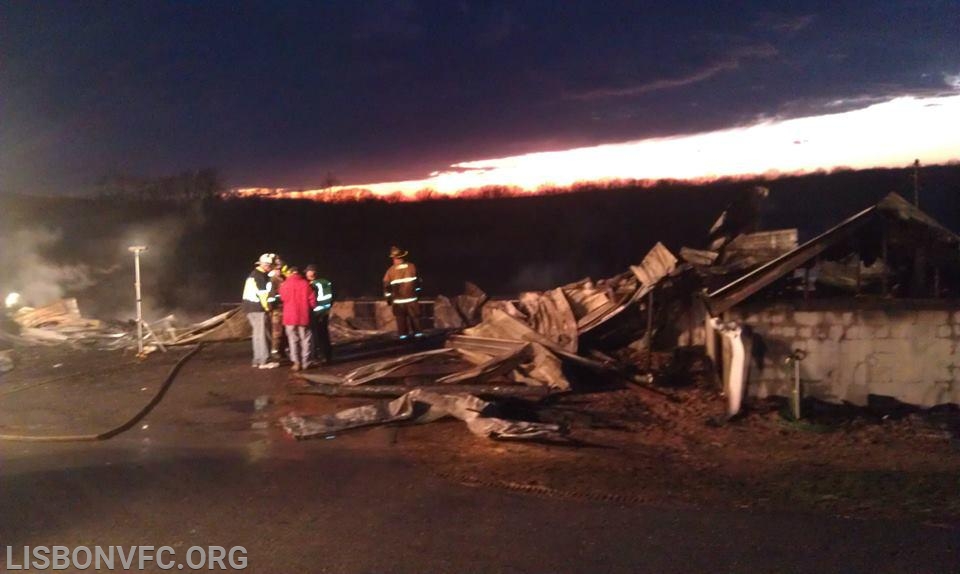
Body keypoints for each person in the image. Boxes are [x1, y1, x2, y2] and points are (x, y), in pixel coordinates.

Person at [241, 253, 279, 369]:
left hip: (249, 308)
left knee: (257, 334)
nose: (272, 268)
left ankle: (257, 360)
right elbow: (263, 295)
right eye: (271, 266)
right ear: (267, 265)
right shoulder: (260, 276)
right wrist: (268, 308)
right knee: (262, 334)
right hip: (258, 308)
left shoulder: (254, 274)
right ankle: (264, 361)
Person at [278, 266, 316, 371]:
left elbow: (282, 298)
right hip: (303, 315)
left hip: (289, 317)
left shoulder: (284, 284)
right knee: (305, 338)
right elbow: (312, 299)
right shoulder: (305, 284)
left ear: (290, 273)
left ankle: (296, 362)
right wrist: (313, 308)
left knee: (292, 339)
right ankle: (306, 362)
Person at [382, 245, 423, 339]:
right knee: (416, 322)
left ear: (395, 258)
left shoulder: (390, 271)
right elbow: (419, 283)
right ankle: (419, 340)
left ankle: (403, 341)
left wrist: (388, 299)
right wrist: (418, 293)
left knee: (401, 325)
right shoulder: (412, 267)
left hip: (398, 303)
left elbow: (386, 286)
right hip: (412, 301)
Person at [305, 264, 334, 364]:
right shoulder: (326, 282)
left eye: (308, 272)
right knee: (324, 334)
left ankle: (318, 356)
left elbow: (311, 299)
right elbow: (331, 297)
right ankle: (328, 355)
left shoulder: (312, 285)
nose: (307, 274)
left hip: (316, 313)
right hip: (325, 312)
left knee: (316, 335)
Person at [268, 255, 287, 360]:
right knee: (276, 332)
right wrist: (271, 309)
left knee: (284, 331)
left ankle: (282, 350)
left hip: (284, 308)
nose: (279, 270)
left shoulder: (283, 279)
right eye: (277, 268)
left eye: (280, 268)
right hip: (276, 309)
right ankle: (275, 351)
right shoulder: (272, 280)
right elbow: (271, 297)